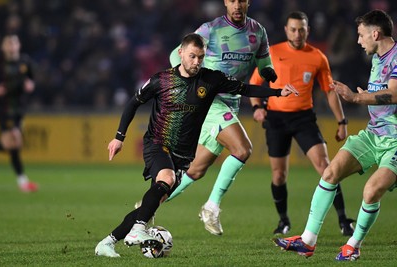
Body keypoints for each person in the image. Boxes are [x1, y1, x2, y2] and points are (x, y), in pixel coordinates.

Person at [94, 33, 298, 258]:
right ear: (180, 53)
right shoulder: (161, 80)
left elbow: (244, 89)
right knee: (166, 179)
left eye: (200, 57)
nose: (196, 62)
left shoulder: (210, 79)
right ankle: (137, 231)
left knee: (155, 200)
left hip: (183, 155)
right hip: (158, 143)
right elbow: (133, 103)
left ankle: (107, 242)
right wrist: (119, 137)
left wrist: (278, 92)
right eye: (192, 56)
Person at [273, 9, 397, 261]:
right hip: (373, 134)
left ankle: (354, 244)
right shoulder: (377, 59)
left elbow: (395, 93)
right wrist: (371, 95)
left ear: (376, 33)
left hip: (395, 141)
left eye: (361, 35)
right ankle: (307, 240)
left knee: (371, 191)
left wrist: (358, 97)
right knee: (330, 173)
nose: (359, 41)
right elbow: (384, 93)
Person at [166, 0, 278, 236]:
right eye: (232, 0)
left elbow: (264, 61)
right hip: (209, 99)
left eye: (241, 0)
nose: (237, 5)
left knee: (196, 169)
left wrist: (268, 71)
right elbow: (175, 56)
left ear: (248, 2)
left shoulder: (258, 31)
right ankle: (211, 206)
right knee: (243, 149)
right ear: (226, 3)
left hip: (232, 102)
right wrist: (187, 83)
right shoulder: (210, 29)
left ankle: (147, 207)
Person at [248, 11, 355, 236]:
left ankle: (344, 220)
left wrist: (342, 121)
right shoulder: (272, 53)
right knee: (278, 175)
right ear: (286, 30)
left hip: (304, 118)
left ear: (308, 30)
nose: (298, 34)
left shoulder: (317, 57)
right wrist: (257, 108)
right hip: (276, 119)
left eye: (302, 29)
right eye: (293, 29)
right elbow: (255, 85)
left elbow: (329, 91)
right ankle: (283, 221)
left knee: (327, 168)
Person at [0, 34, 38, 193]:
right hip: (4, 108)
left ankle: (22, 181)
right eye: (9, 43)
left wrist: (30, 85)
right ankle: (22, 182)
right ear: (3, 47)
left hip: (20, 109)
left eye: (14, 43)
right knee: (14, 138)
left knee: (13, 145)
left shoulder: (25, 62)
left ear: (19, 45)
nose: (12, 46)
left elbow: (32, 80)